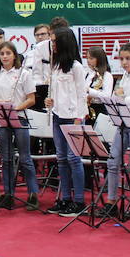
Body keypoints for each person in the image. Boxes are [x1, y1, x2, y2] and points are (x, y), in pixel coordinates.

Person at [94, 43, 130, 221]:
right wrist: (119, 97)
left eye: (128, 59)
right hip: (123, 123)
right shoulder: (125, 76)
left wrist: (123, 97)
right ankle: (111, 202)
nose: (124, 62)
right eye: (122, 59)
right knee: (113, 161)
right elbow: (119, 99)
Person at [0, 41, 40, 212]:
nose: (5, 56)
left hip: (20, 118)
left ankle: (33, 195)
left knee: (25, 158)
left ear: (14, 55)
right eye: (2, 54)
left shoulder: (24, 74)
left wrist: (15, 107)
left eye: (8, 53)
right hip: (2, 119)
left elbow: (32, 99)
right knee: (6, 158)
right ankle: (8, 195)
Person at [47, 26, 89, 217]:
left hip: (73, 117)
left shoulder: (77, 67)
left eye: (55, 41)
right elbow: (58, 93)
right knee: (61, 159)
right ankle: (65, 198)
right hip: (57, 115)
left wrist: (79, 118)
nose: (52, 44)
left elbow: (81, 95)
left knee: (74, 159)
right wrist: (50, 101)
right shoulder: (55, 66)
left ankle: (79, 201)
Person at [24, 22, 54, 111]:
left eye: (43, 34)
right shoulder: (29, 55)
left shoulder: (55, 52)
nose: (40, 37)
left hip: (51, 91)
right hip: (33, 92)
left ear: (49, 35)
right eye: (37, 35)